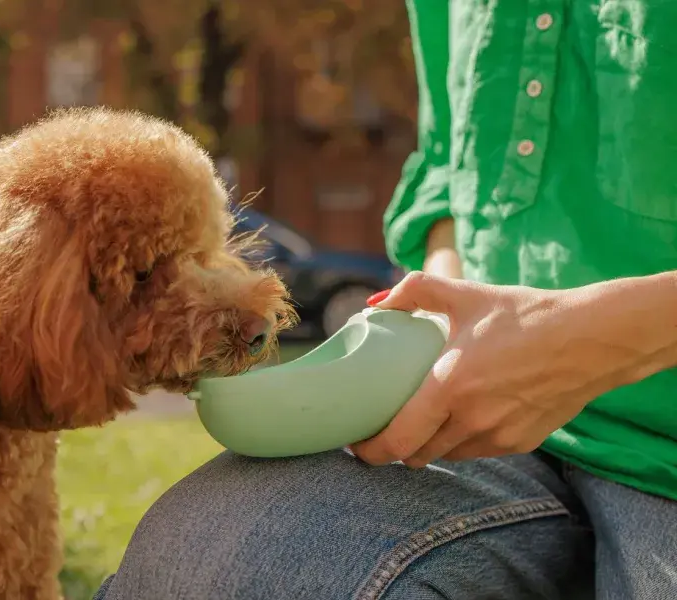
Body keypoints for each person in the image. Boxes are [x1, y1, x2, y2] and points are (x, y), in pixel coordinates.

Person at [94, 2, 677, 598]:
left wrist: (595, 338)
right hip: (485, 427)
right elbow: (453, 162)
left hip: (666, 451)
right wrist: (440, 307)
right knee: (195, 566)